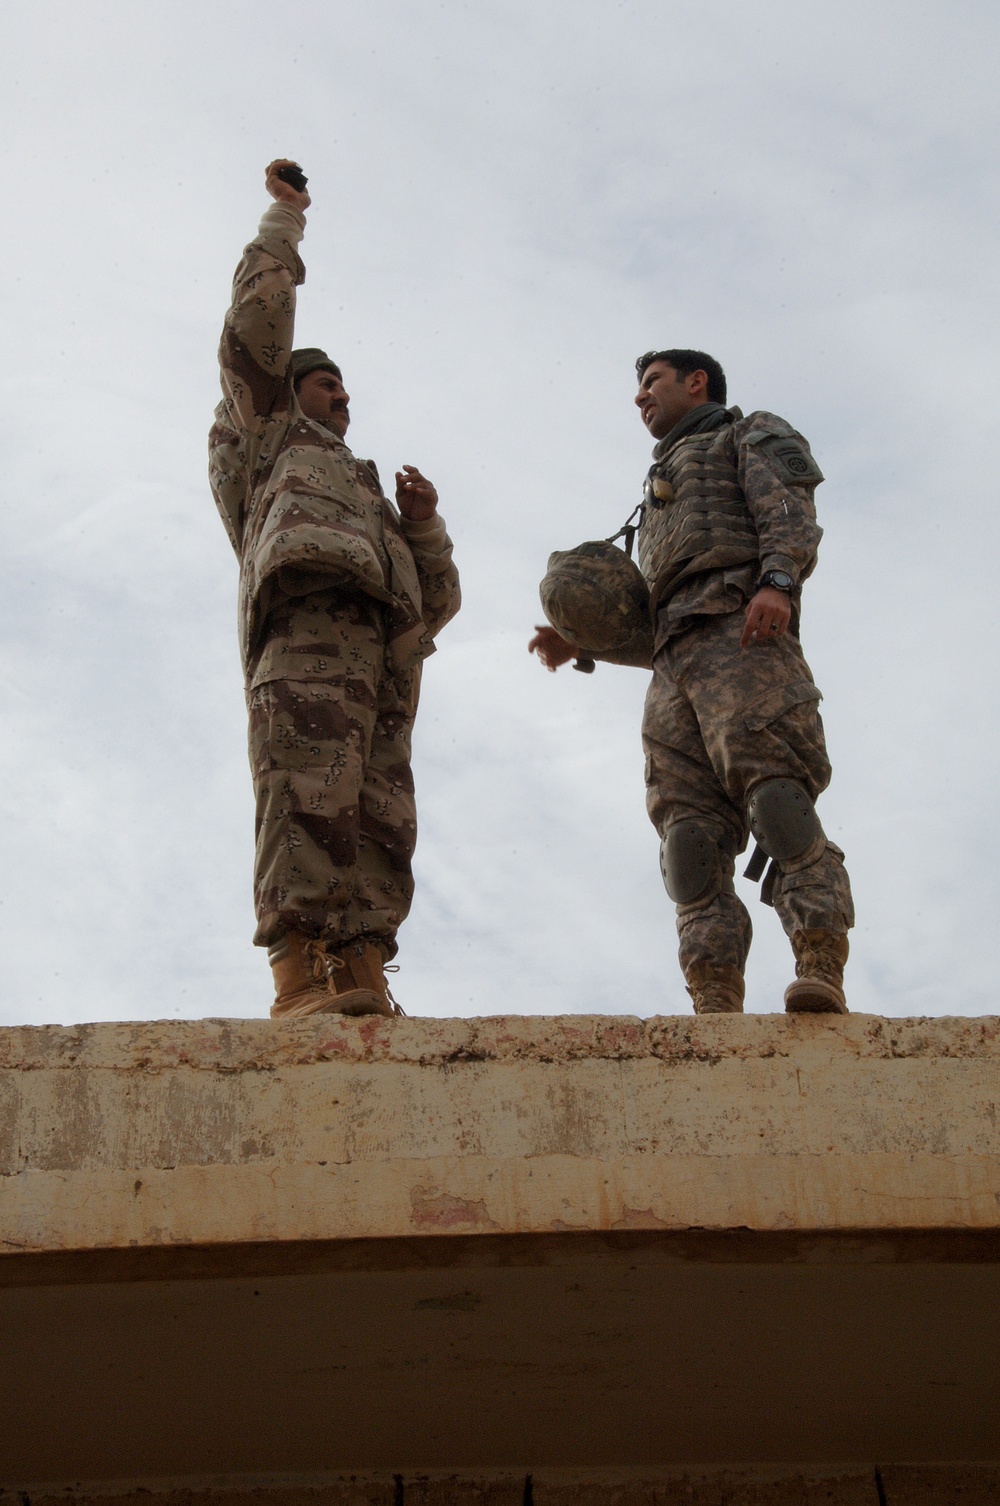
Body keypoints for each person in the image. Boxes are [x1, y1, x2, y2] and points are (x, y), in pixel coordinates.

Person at [209, 161, 460, 1020]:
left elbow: (441, 602)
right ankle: (299, 973)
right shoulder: (267, 434)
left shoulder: (364, 490)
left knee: (379, 816)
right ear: (288, 387)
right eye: (328, 383)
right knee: (303, 789)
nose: (344, 397)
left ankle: (360, 969)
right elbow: (258, 319)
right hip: (308, 629)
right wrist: (284, 221)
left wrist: (421, 525)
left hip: (381, 661)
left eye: (348, 389)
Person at [530, 350, 854, 1015]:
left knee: (779, 804)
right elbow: (653, 612)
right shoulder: (656, 492)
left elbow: (788, 514)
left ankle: (819, 958)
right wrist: (581, 641)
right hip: (675, 666)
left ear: (696, 382)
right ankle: (714, 996)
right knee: (689, 844)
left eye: (652, 383)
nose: (641, 398)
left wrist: (779, 582)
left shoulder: (746, 434)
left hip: (744, 636)